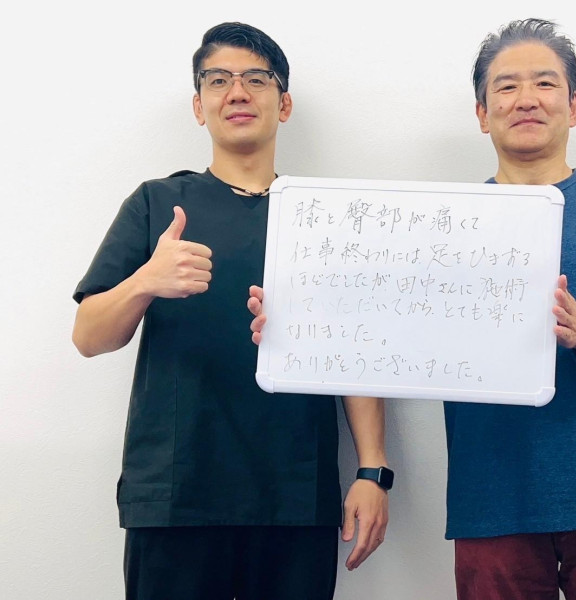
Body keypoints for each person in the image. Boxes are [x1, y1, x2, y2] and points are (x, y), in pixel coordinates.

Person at [249, 16, 576, 600]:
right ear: (483, 114)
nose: (526, 99)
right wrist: (295, 326)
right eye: (506, 87)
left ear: (573, 105)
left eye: (545, 83)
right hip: (492, 499)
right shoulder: (444, 223)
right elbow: (380, 331)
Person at [72, 22, 390, 600]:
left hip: (296, 495)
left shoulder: (326, 217)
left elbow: (357, 351)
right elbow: (88, 337)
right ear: (199, 106)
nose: (237, 92)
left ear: (283, 103)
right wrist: (145, 281)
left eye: (256, 79)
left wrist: (373, 470)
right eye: (218, 80)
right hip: (175, 496)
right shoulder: (157, 203)